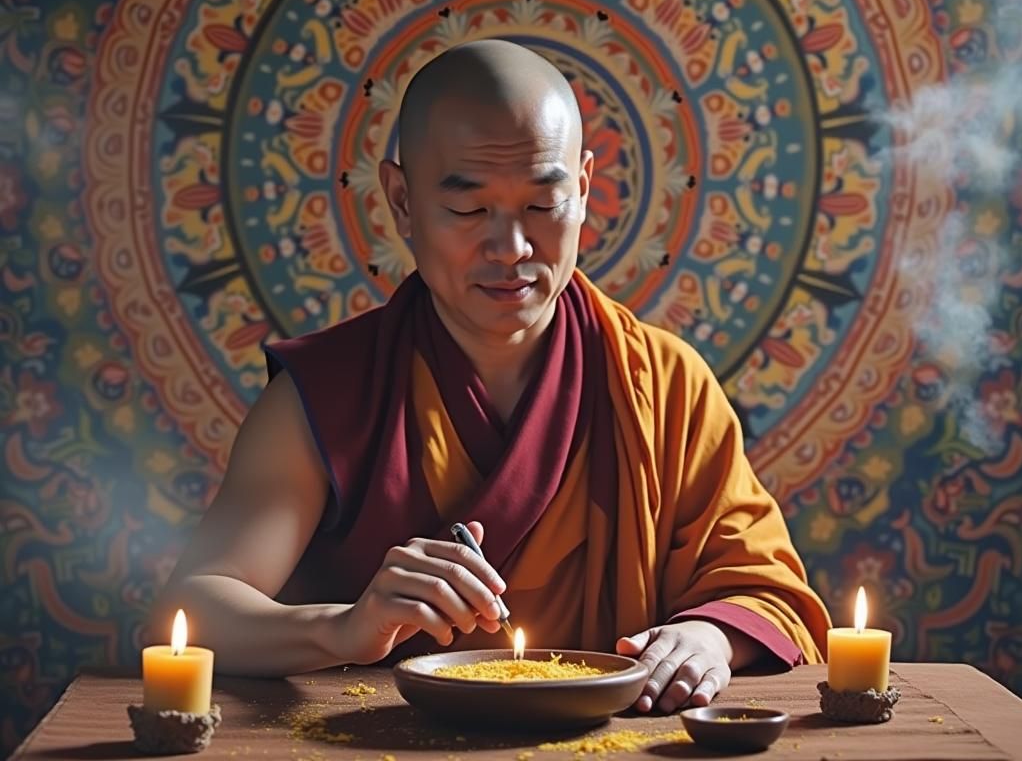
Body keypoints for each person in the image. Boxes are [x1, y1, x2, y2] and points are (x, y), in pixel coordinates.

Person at [151, 39, 830, 714]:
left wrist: (706, 637)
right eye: (470, 209)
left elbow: (764, 591)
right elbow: (194, 607)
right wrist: (348, 627)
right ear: (402, 200)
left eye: (542, 205)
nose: (512, 249)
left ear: (586, 190)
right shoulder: (326, 394)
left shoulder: (664, 384)